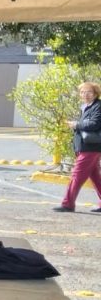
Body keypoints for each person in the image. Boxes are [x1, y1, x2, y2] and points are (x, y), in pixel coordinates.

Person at [52, 81, 101, 213]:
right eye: (82, 92)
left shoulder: (98, 106)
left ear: (95, 93)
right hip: (86, 147)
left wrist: (76, 124)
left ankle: (68, 204)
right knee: (95, 176)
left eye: (89, 92)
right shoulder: (86, 106)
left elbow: (94, 124)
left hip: (91, 147)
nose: (85, 94)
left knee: (77, 175)